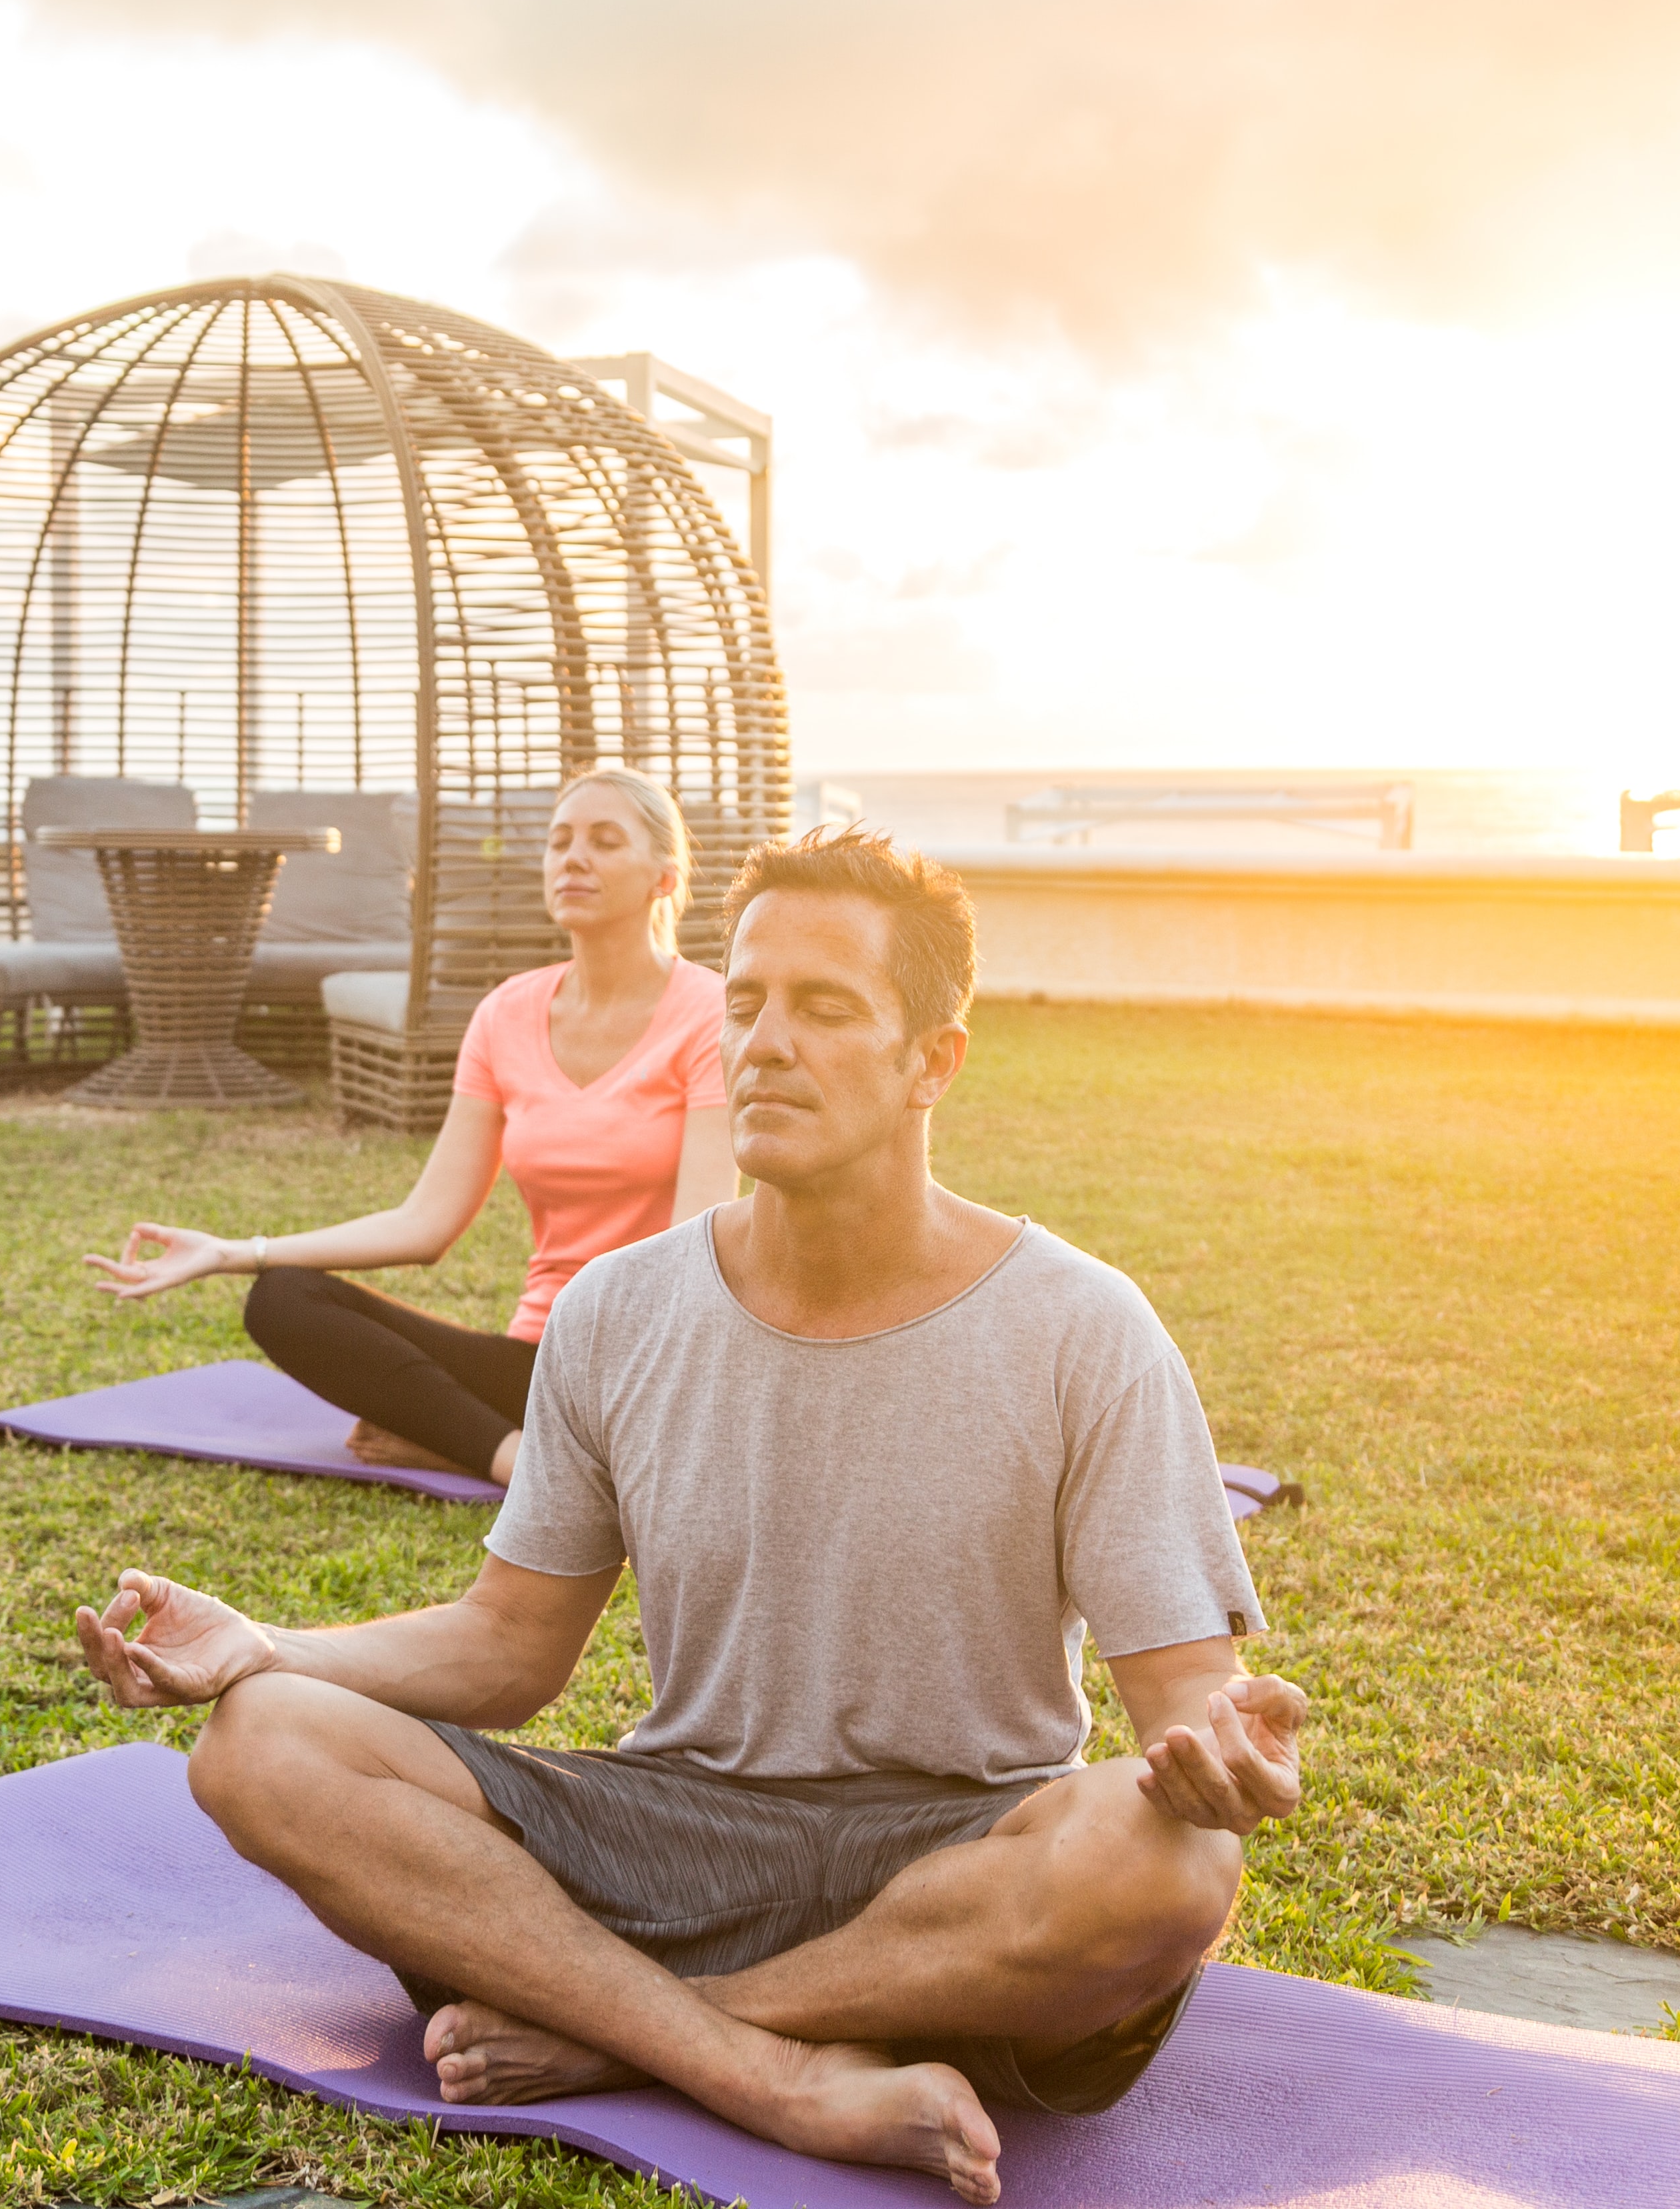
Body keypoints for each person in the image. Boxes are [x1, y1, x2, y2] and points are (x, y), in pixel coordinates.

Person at [73, 827, 1305, 2205]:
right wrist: (268, 1645)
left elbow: (1188, 1708)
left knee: (1171, 1865)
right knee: (260, 1743)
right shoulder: (617, 1308)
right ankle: (761, 2070)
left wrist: (1223, 1761)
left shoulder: (1083, 1327)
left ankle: (621, 2030)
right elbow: (506, 1651)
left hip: (956, 1857)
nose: (764, 1043)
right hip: (667, 1827)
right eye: (744, 1002)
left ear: (930, 1062)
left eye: (825, 1008)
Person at [85, 766, 731, 1484]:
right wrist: (233, 1251)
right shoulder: (506, 1015)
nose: (573, 857)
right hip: (537, 1362)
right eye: (559, 841)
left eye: (606, 841)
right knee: (286, 1297)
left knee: (644, 1387)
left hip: (653, 1364)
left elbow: (691, 1260)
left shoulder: (710, 1016)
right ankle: (518, 1459)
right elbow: (426, 1223)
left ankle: (473, 1439)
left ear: (664, 879)